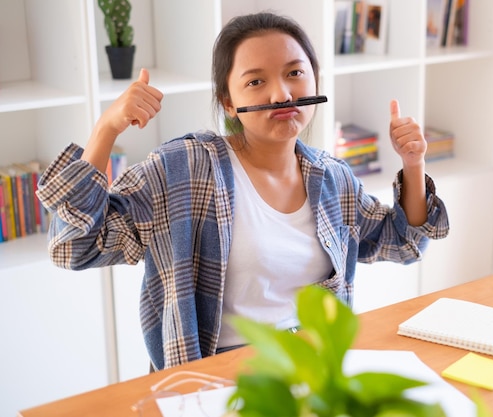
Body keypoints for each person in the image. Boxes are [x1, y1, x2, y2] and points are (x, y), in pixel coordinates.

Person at [36, 12, 449, 371]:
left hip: (315, 367)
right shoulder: (185, 168)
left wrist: (413, 164)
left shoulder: (332, 177)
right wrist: (106, 128)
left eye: (294, 73)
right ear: (228, 102)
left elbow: (403, 244)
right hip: (214, 378)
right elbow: (73, 247)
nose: (281, 94)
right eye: (255, 81)